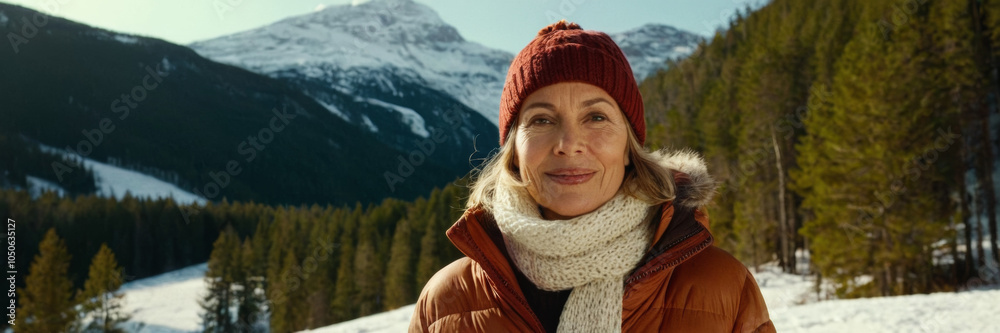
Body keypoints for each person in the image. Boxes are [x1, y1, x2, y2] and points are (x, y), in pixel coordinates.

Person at [409, 20, 775, 333]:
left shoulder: (724, 287)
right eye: (541, 120)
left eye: (596, 117)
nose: (569, 144)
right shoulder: (446, 302)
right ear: (514, 152)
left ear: (629, 148)